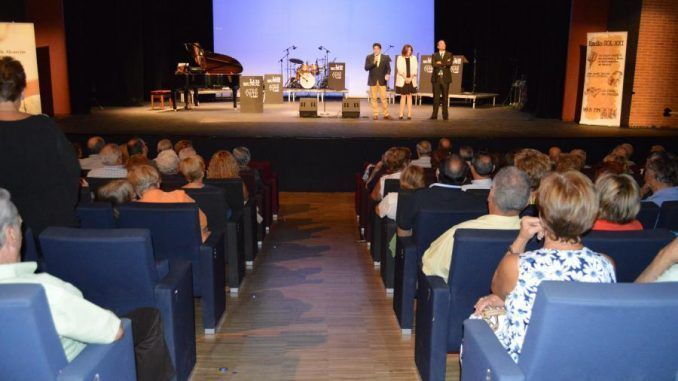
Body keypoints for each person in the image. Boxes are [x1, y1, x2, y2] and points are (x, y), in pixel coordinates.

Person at [0, 188, 174, 380]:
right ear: (11, 235)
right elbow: (114, 330)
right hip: (85, 367)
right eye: (20, 227)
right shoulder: (44, 291)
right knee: (149, 318)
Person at [472, 171, 615, 363]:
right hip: (581, 361)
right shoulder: (606, 264)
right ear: (591, 218)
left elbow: (497, 287)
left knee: (482, 313)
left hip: (526, 365)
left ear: (543, 215)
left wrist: (522, 237)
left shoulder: (517, 265)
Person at [0, 56, 80, 234]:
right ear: (22, 92)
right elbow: (71, 172)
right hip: (51, 229)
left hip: (5, 235)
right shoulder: (45, 127)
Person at [423, 167, 530, 282]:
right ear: (527, 202)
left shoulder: (460, 233)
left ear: (491, 193)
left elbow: (429, 268)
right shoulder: (537, 236)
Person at [397, 154, 484, 236]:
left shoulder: (417, 198)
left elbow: (403, 233)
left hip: (424, 252)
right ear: (465, 179)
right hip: (463, 252)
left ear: (437, 172)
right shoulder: (478, 203)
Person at [128, 164, 209, 241]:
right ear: (158, 183)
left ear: (135, 189)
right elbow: (203, 223)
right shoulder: (180, 197)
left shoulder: (131, 210)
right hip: (187, 249)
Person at [364, 43, 392, 120]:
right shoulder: (369, 57)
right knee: (373, 98)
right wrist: (373, 63)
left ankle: (386, 114)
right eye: (374, 48)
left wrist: (388, 74)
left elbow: (388, 68)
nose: (376, 50)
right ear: (373, 49)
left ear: (380, 49)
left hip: (382, 80)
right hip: (372, 80)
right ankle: (375, 114)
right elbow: (366, 68)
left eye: (377, 49)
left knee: (383, 98)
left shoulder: (385, 57)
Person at [430, 40, 453, 120]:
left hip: (445, 79)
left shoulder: (449, 54)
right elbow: (433, 64)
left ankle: (445, 115)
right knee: (436, 98)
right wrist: (443, 63)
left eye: (444, 44)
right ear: (438, 46)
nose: (443, 45)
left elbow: (449, 64)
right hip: (436, 79)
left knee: (445, 98)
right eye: (441, 44)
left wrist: (440, 63)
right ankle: (434, 115)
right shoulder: (434, 55)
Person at [396, 44, 418, 120]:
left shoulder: (414, 58)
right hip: (403, 79)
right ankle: (401, 114)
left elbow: (415, 69)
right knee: (403, 96)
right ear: (404, 50)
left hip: (411, 80)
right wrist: (405, 78)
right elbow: (399, 69)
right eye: (408, 50)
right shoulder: (400, 58)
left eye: (410, 50)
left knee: (409, 96)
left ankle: (409, 114)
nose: (409, 51)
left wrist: (410, 78)